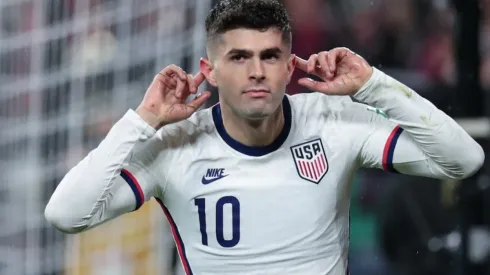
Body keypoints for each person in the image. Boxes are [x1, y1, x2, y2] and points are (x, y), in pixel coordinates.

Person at [44, 0, 484, 274]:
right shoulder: (174, 145)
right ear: (210, 71)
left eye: (270, 56)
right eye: (239, 57)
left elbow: (463, 160)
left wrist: (373, 85)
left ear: (290, 66)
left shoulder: (333, 121)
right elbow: (66, 213)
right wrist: (142, 121)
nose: (256, 70)